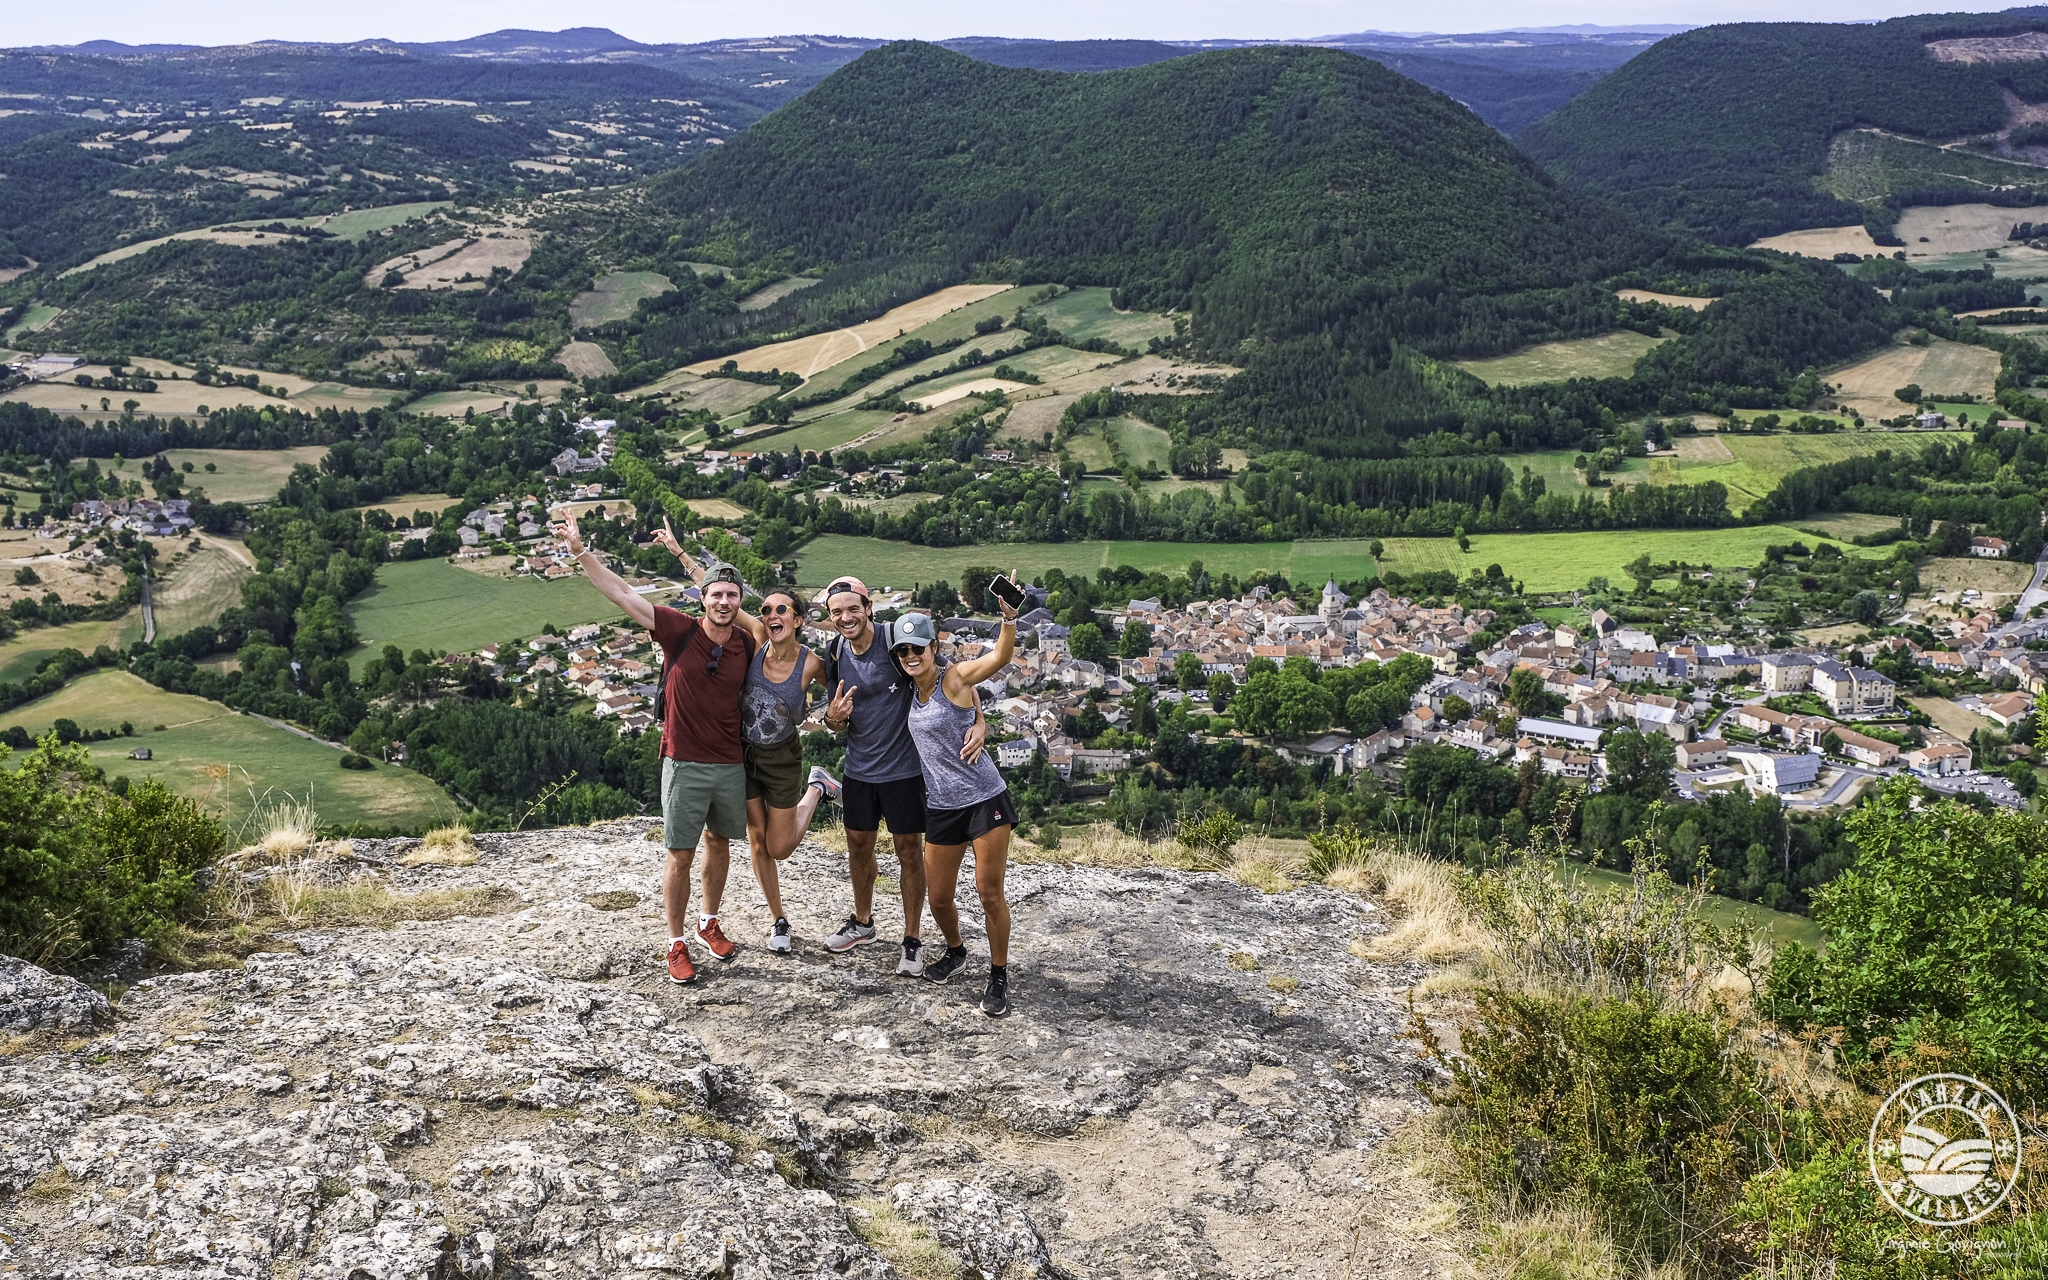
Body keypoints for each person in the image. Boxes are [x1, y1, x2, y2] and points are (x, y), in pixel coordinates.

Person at [557, 509, 754, 985]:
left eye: (731, 595)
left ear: (738, 600)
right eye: (715, 595)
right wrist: (581, 551)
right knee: (680, 854)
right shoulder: (676, 629)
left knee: (720, 844)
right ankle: (676, 942)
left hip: (729, 761)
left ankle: (709, 923)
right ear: (701, 599)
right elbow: (623, 592)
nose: (723, 602)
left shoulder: (746, 643)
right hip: (683, 761)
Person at [647, 520, 839, 955]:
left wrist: (831, 717)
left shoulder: (806, 662)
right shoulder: (755, 640)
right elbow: (718, 594)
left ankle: (817, 788)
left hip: (781, 757)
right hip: (740, 754)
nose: (772, 617)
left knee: (780, 845)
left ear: (799, 620)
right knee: (754, 841)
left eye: (782, 612)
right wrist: (680, 553)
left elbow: (840, 699)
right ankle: (778, 919)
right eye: (767, 611)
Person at [816, 576, 985, 976]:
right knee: (858, 845)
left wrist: (980, 720)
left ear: (869, 606)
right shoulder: (835, 651)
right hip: (859, 767)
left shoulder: (895, 642)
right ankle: (862, 923)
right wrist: (831, 720)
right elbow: (835, 717)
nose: (846, 617)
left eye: (853, 608)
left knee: (909, 851)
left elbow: (951, 674)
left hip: (904, 770)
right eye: (837, 611)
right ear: (830, 616)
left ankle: (911, 939)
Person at [889, 587, 1022, 1017]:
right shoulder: (908, 690)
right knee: (940, 898)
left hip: (985, 799)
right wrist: (979, 719)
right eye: (903, 650)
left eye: (918, 648)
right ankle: (956, 950)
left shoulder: (955, 677)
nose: (911, 656)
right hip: (943, 805)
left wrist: (1008, 618)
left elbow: (998, 658)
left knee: (988, 892)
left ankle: (998, 975)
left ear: (933, 648)